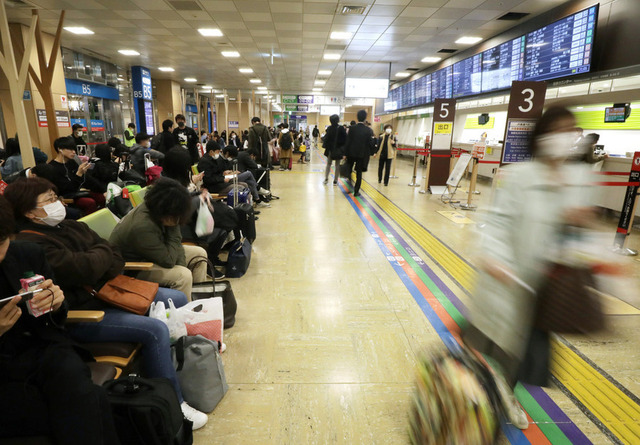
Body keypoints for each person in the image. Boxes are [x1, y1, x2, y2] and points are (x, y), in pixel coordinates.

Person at [3, 177, 209, 430]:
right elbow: (84, 268)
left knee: (175, 298)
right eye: (49, 200)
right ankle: (175, 404)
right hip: (85, 311)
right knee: (155, 330)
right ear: (28, 211)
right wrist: (98, 258)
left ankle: (180, 367)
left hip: (108, 292)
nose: (58, 203)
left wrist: (96, 260)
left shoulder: (69, 226)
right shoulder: (31, 245)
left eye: (56, 197)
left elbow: (113, 253)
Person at [464, 105, 597, 430]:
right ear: (542, 136)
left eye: (572, 131)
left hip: (546, 289)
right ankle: (466, 397)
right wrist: (495, 259)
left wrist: (582, 228)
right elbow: (495, 223)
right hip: (506, 281)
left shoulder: (577, 179)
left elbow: (578, 236)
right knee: (485, 346)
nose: (566, 138)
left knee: (520, 356)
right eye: (559, 130)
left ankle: (505, 398)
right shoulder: (520, 176)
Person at [0, 195, 121, 444]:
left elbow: (57, 316)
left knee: (73, 380)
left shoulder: (27, 254)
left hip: (42, 349)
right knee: (92, 401)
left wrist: (55, 303)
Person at [109, 178, 208, 298]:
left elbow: (176, 247)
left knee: (199, 254)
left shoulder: (159, 208)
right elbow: (169, 260)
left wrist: (180, 263)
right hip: (132, 267)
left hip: (152, 252)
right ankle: (183, 311)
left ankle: (198, 298)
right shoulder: (142, 226)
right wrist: (173, 228)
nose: (178, 220)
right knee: (183, 276)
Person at [48, 136, 105, 215]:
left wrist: (103, 190)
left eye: (74, 149)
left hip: (78, 192)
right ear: (59, 149)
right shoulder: (52, 167)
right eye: (70, 149)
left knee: (101, 197)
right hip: (66, 196)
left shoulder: (71, 162)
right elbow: (66, 189)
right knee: (89, 203)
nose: (74, 152)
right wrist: (78, 175)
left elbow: (87, 179)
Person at [343, 110, 374, 197]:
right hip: (362, 155)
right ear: (365, 118)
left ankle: (349, 186)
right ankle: (356, 191)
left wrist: (345, 154)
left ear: (357, 117)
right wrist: (372, 152)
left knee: (349, 170)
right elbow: (371, 143)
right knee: (359, 173)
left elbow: (348, 141)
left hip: (351, 153)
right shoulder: (368, 130)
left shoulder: (352, 128)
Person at [322, 114, 347, 186]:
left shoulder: (329, 128)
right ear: (338, 120)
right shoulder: (341, 128)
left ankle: (326, 179)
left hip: (330, 149)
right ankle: (335, 181)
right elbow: (345, 139)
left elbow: (326, 139)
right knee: (337, 165)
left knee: (328, 164)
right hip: (338, 150)